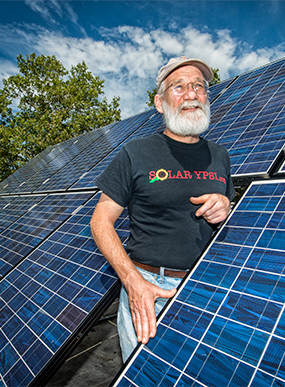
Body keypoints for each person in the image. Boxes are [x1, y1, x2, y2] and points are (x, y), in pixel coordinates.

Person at [90, 57, 235, 361]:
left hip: (209, 284)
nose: (191, 94)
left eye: (199, 86)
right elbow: (100, 221)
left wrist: (225, 206)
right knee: (147, 375)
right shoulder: (135, 153)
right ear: (159, 102)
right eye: (178, 87)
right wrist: (132, 281)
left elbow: (228, 211)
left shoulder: (220, 156)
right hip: (149, 289)